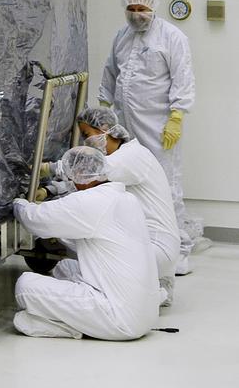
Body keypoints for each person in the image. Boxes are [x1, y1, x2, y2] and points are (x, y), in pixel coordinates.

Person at [13, 145, 159, 340]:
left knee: (25, 286)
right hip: (146, 314)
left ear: (80, 174)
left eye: (69, 176)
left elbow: (35, 219)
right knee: (65, 267)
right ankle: (75, 319)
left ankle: (76, 326)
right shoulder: (125, 198)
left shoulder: (92, 201)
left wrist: (17, 203)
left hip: (119, 318)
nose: (69, 181)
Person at [99, 0, 197, 272]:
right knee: (128, 184)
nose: (137, 14)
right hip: (124, 127)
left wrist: (177, 116)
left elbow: (183, 76)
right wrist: (104, 107)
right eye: (131, 9)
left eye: (142, 9)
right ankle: (142, 245)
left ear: (152, 8)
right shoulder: (122, 36)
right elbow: (110, 72)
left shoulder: (171, 37)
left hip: (159, 127)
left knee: (166, 186)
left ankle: (179, 250)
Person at [43, 105, 181, 305]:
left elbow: (89, 171)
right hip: (158, 250)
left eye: (86, 134)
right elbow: (88, 182)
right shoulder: (128, 154)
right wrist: (51, 190)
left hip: (155, 249)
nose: (86, 142)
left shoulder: (130, 157)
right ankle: (152, 289)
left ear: (104, 128)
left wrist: (48, 168)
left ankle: (105, 292)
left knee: (81, 239)